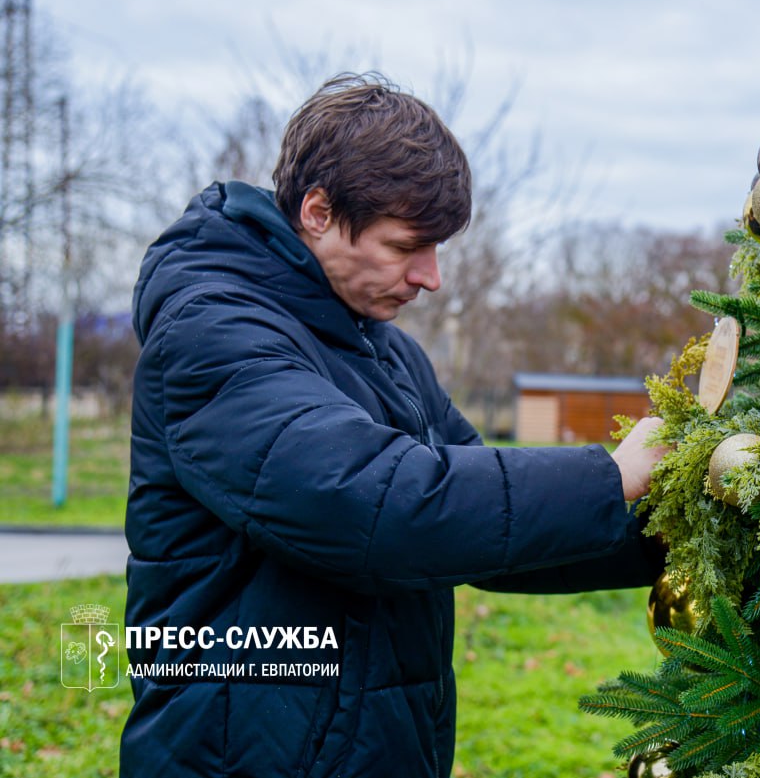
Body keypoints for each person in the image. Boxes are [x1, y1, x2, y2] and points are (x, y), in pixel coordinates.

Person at [121, 73, 670, 778]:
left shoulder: (385, 348)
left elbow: (483, 527)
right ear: (318, 211)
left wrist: (673, 525)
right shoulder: (212, 332)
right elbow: (375, 502)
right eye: (407, 244)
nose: (431, 276)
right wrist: (609, 474)